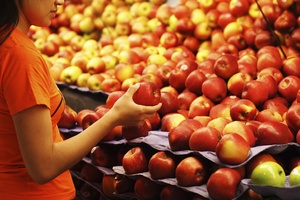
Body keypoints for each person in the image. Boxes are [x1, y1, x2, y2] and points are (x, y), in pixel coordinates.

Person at [0, 0, 162, 199]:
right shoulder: (20, 57)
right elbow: (43, 166)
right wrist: (114, 117)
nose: (60, 1)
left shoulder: (6, 43)